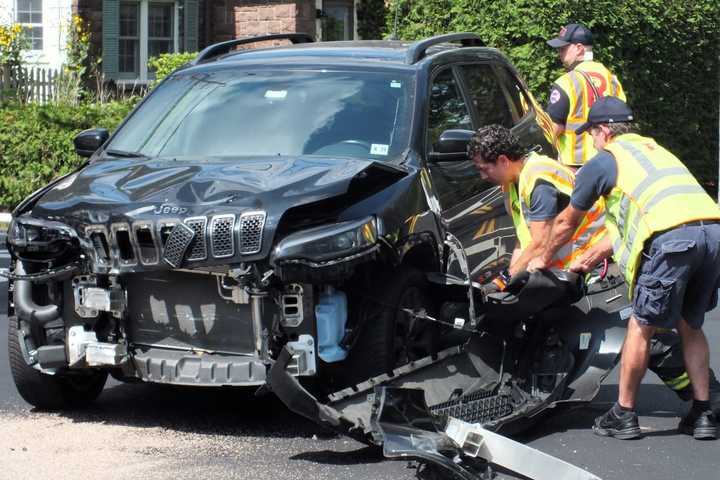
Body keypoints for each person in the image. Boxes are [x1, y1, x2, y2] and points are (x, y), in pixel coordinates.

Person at [469, 124, 720, 416]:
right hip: (581, 263)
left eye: (483, 168)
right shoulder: (516, 181)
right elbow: (525, 240)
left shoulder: (538, 181)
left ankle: (707, 396)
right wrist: (507, 279)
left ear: (502, 160)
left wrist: (511, 280)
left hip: (600, 260)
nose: (481, 176)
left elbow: (541, 241)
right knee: (625, 328)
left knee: (643, 333)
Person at [528, 97, 720, 440]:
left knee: (640, 327)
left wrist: (541, 259)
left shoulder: (606, 161)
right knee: (690, 325)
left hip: (673, 243)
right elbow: (646, 217)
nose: (592, 141)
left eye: (592, 134)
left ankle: (624, 414)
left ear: (603, 131)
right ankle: (704, 414)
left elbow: (565, 224)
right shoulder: (655, 150)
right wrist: (590, 258)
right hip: (712, 234)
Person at [546, 23, 625, 166]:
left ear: (579, 49)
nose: (559, 53)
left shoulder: (566, 82)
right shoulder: (612, 80)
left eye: (563, 48)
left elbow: (552, 130)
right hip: (611, 161)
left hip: (575, 167)